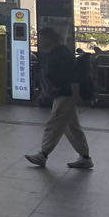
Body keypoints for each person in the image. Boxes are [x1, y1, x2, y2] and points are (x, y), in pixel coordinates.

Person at [25, 26, 93, 169]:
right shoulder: (54, 53)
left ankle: (42, 155)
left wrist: (75, 96)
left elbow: (72, 77)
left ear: (50, 39)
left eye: (42, 39)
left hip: (66, 94)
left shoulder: (61, 54)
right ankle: (85, 157)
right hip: (61, 94)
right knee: (72, 127)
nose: (40, 42)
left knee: (54, 125)